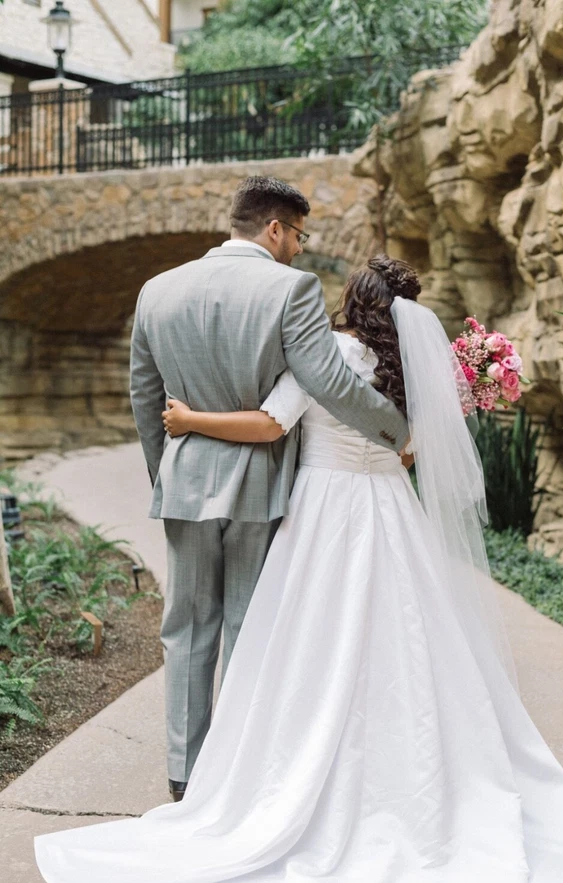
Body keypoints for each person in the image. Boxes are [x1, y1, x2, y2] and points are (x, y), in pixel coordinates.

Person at [34, 255, 563, 883]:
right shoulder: (408, 362)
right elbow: (406, 451)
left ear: (355, 297)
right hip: (386, 510)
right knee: (406, 641)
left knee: (308, 643)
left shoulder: (327, 352)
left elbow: (269, 424)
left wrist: (191, 418)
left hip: (319, 510)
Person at [129, 176, 408, 802]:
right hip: (259, 483)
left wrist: (168, 474)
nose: (300, 250)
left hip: (185, 479)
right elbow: (329, 382)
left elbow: (146, 399)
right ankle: (238, 770)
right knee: (248, 626)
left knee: (185, 627)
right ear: (274, 228)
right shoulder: (291, 289)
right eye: (298, 236)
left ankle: (184, 775)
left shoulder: (156, 290)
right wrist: (398, 431)